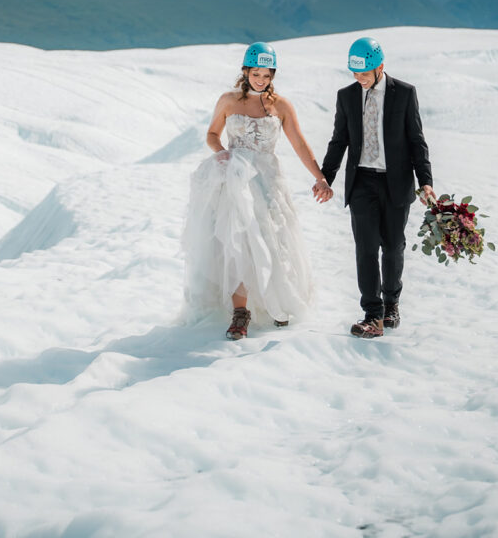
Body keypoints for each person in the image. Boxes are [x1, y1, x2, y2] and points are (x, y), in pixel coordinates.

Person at [182, 42, 332, 340]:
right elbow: (212, 134)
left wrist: (321, 178)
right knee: (237, 242)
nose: (261, 80)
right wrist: (221, 152)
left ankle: (278, 302)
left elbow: (299, 144)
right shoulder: (228, 100)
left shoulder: (282, 106)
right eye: (256, 73)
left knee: (272, 240)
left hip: (267, 180)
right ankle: (241, 312)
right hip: (235, 180)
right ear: (246, 71)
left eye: (267, 74)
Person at [314, 37, 435, 338]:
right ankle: (372, 314)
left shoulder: (405, 93)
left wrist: (427, 182)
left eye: (364, 74)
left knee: (393, 246)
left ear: (380, 66)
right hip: (362, 182)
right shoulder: (346, 96)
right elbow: (338, 140)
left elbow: (417, 141)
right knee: (365, 247)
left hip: (396, 182)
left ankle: (391, 302)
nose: (359, 79)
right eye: (355, 74)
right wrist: (325, 178)